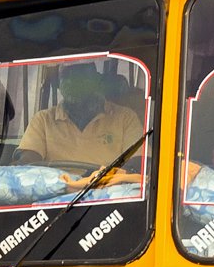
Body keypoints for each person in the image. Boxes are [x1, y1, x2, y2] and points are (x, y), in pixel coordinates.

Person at [13, 64, 148, 186]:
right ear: (58, 85)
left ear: (97, 81)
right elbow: (28, 162)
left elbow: (138, 163)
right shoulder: (43, 120)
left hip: (108, 198)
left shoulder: (125, 118)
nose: (74, 83)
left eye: (82, 76)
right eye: (67, 77)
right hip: (56, 199)